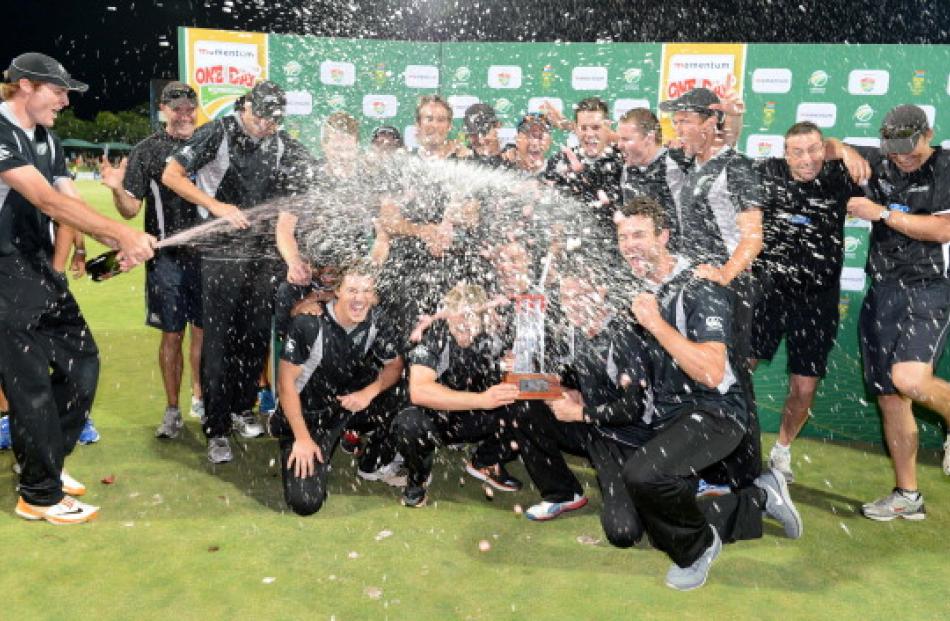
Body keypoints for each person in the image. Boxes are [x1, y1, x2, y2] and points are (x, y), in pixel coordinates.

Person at [0, 52, 154, 524]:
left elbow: (67, 202)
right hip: (5, 273)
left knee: (82, 364)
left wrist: (117, 241)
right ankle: (39, 495)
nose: (66, 100)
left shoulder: (46, 138)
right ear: (25, 86)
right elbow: (44, 199)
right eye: (58, 90)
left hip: (38, 270)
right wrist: (122, 232)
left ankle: (45, 461)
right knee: (29, 386)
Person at [617, 197, 801, 590]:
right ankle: (759, 497)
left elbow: (711, 370)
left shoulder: (700, 286)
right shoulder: (637, 288)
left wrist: (654, 324)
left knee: (643, 476)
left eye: (638, 235)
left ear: (663, 236)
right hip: (670, 417)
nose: (629, 244)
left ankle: (699, 548)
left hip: (716, 412)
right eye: (622, 236)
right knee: (651, 522)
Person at [163, 80, 313, 463]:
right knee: (219, 340)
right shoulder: (218, 131)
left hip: (265, 256)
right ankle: (216, 427)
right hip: (221, 254)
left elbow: (298, 197)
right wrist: (215, 205)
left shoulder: (285, 146)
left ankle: (242, 407)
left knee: (255, 335)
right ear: (246, 107)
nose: (265, 124)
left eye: (273, 118)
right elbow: (172, 176)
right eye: (260, 115)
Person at [841, 104, 950, 520]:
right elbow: (826, 146)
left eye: (910, 147)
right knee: (890, 397)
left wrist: (883, 213)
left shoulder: (946, 165)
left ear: (929, 134)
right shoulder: (877, 159)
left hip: (931, 287)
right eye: (894, 148)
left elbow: (943, 229)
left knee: (910, 379)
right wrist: (843, 150)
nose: (902, 156)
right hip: (883, 290)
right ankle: (908, 494)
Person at [750, 121, 863, 482]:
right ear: (784, 153)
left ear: (824, 150)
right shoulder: (766, 172)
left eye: (814, 149)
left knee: (805, 385)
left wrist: (842, 147)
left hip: (817, 298)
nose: (807, 159)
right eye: (797, 151)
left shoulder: (839, 176)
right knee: (738, 368)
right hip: (767, 292)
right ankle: (729, 439)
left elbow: (889, 157)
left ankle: (782, 451)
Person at [512, 264, 650, 547]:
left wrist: (581, 412)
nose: (571, 305)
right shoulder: (573, 333)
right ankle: (562, 494)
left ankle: (667, 487)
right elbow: (561, 383)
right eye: (566, 297)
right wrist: (521, 381)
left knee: (623, 533)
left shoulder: (625, 335)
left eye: (580, 295)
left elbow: (633, 409)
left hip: (626, 439)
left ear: (600, 293)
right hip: (591, 430)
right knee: (525, 402)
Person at [100, 81, 206, 438]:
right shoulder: (147, 150)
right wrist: (117, 187)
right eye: (176, 108)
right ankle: (173, 409)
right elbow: (130, 211)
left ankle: (202, 400)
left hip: (207, 256)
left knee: (204, 334)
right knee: (172, 334)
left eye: (189, 107)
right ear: (163, 109)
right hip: (166, 259)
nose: (184, 114)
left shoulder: (208, 142)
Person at [273, 259, 405, 515]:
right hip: (307, 415)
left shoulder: (377, 321)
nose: (360, 298)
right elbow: (285, 384)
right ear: (337, 292)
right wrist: (301, 438)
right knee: (306, 502)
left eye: (367, 291)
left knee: (404, 392)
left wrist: (369, 393)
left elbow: (395, 365)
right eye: (353, 290)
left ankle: (371, 460)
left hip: (346, 403)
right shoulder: (310, 323)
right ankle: (297, 439)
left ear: (375, 296)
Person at [394, 282, 523, 507]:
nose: (464, 322)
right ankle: (418, 476)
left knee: (528, 409)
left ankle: (485, 460)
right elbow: (419, 391)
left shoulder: (495, 335)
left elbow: (525, 377)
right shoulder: (434, 335)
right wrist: (482, 400)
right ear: (447, 315)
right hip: (438, 418)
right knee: (408, 423)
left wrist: (517, 368)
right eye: (458, 315)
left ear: (482, 316)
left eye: (472, 315)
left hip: (476, 417)